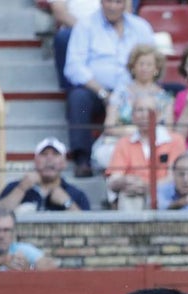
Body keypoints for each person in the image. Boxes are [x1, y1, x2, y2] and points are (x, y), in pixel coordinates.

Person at [63, 0, 155, 177]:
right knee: (78, 98)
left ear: (126, 3)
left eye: (118, 2)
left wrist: (136, 88)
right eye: (109, 1)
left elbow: (153, 59)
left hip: (135, 89)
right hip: (97, 90)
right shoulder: (85, 25)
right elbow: (74, 67)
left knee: (169, 92)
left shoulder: (140, 27)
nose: (113, 6)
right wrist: (103, 93)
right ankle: (82, 158)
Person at [104, 93, 186, 211]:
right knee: (128, 196)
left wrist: (146, 186)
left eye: (149, 110)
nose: (144, 115)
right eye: (139, 110)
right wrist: (125, 181)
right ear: (132, 116)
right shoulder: (124, 143)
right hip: (133, 192)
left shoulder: (175, 140)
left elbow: (174, 178)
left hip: (165, 193)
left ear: (158, 115)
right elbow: (113, 179)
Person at [0, 136, 91, 212]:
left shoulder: (77, 195)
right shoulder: (14, 187)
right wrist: (21, 189)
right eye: (44, 154)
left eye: (55, 154)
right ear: (35, 161)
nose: (49, 159)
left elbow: (88, 228)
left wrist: (68, 203)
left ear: (64, 163)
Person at [104, 43, 172, 136]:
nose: (144, 68)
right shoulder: (119, 94)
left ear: (156, 69)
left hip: (155, 144)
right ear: (133, 67)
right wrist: (137, 135)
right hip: (121, 141)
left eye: (149, 64)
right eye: (141, 64)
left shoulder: (165, 98)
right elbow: (109, 127)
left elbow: (168, 131)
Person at [0, 207, 58, 271]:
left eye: (7, 230)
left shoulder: (23, 249)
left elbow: (51, 265)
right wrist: (3, 261)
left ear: (13, 232)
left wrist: (29, 267)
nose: (1, 235)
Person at [49, 0, 99, 89]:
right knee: (63, 38)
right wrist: (85, 29)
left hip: (109, 27)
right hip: (73, 27)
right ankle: (71, 87)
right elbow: (59, 12)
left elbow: (125, 9)